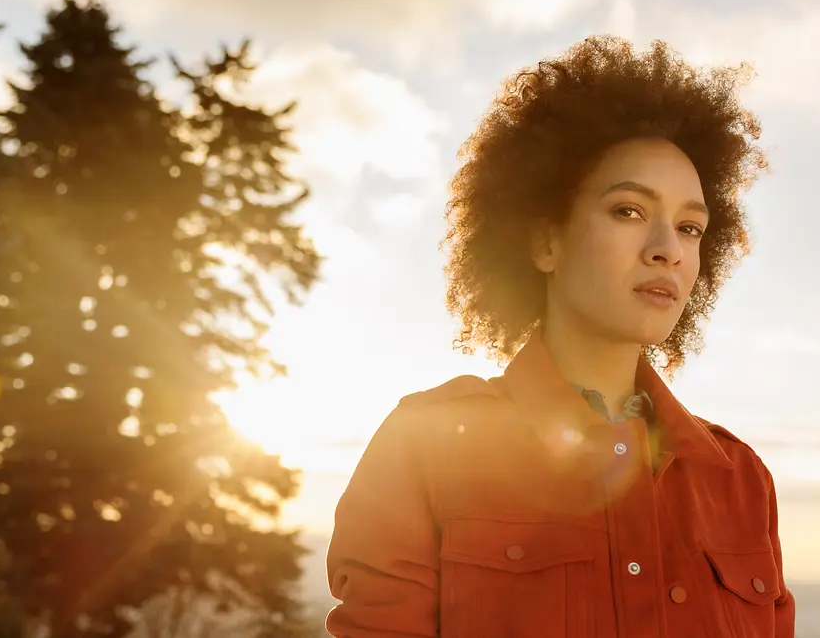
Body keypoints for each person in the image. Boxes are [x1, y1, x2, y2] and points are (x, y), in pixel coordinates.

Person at [324, 36, 795, 638]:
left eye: (690, 226)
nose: (667, 249)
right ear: (545, 242)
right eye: (628, 210)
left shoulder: (741, 481)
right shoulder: (425, 449)